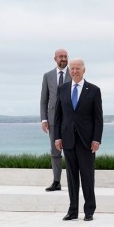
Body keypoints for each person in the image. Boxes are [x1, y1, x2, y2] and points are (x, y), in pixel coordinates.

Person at [54, 58, 103, 222]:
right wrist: (57, 137)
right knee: (71, 177)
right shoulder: (62, 89)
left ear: (84, 70)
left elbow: (98, 118)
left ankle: (89, 210)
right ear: (69, 71)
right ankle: (73, 210)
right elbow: (58, 116)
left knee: (87, 176)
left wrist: (97, 139)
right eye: (72, 68)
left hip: (87, 141)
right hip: (68, 139)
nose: (74, 71)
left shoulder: (94, 90)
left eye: (77, 68)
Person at [40, 49, 69, 192]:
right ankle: (56, 181)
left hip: (70, 120)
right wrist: (43, 119)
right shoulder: (47, 76)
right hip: (52, 120)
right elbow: (44, 99)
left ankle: (72, 180)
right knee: (55, 151)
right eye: (60, 56)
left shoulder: (74, 73)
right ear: (55, 59)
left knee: (70, 151)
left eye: (65, 56)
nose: (63, 59)